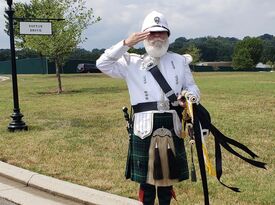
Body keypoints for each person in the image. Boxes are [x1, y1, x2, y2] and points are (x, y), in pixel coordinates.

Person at [96, 11, 200, 205]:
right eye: (152, 33)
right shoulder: (130, 61)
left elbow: (192, 87)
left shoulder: (179, 61)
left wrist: (188, 97)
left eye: (162, 33)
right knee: (147, 182)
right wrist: (126, 43)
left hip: (173, 124)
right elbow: (102, 63)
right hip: (143, 127)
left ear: (168, 35)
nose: (157, 37)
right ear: (143, 35)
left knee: (167, 180)